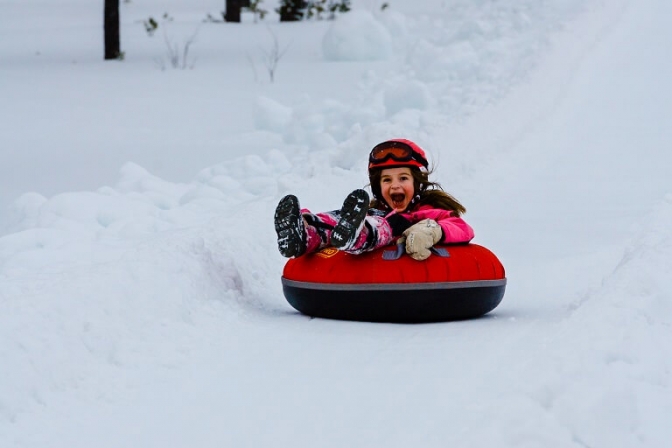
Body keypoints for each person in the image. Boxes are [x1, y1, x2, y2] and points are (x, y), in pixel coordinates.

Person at [274, 138, 474, 261]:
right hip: (369, 219)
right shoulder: (372, 209)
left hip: (389, 229)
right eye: (387, 180)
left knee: (381, 225)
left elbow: (463, 229)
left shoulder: (430, 211)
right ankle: (305, 232)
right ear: (379, 187)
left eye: (403, 178)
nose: (395, 185)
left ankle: (355, 236)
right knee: (341, 218)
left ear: (418, 183)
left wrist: (433, 230)